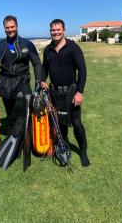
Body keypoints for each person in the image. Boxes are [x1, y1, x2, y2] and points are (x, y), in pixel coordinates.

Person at [41, 19, 90, 167]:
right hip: (54, 93)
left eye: (58, 30)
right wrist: (42, 80)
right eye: (53, 30)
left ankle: (83, 152)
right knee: (60, 123)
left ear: (64, 30)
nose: (55, 32)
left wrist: (79, 92)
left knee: (76, 123)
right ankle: (63, 147)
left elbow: (82, 70)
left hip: (71, 92)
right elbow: (44, 68)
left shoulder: (73, 48)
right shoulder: (48, 49)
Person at [0, 15, 41, 130]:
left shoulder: (27, 44)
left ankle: (27, 142)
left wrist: (38, 82)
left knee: (26, 111)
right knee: (10, 113)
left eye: (12, 26)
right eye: (7, 27)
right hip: (5, 83)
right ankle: (13, 140)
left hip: (22, 82)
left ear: (17, 26)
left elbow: (37, 64)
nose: (10, 29)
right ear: (4, 29)